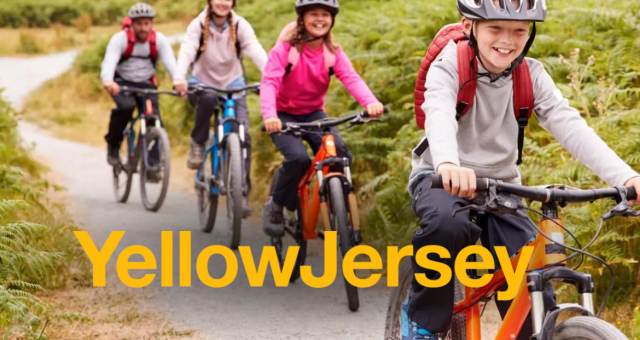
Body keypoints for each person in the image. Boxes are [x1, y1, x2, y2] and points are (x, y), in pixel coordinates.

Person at [404, 0, 640, 339]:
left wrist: (625, 177)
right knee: (446, 227)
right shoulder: (450, 65)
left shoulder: (530, 74)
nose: (508, 39)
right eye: (495, 28)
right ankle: (422, 323)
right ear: (469, 26)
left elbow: (571, 127)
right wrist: (447, 163)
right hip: (442, 178)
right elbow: (438, 110)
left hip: (503, 189)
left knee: (531, 277)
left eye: (519, 30)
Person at [259, 0, 385, 237]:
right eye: (313, 14)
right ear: (302, 19)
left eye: (325, 14)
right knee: (297, 159)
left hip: (313, 113)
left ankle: (341, 207)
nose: (320, 19)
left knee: (339, 153)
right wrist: (270, 116)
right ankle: (275, 204)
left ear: (332, 19)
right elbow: (270, 82)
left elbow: (351, 77)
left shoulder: (332, 52)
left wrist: (370, 103)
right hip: (282, 115)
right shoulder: (285, 50)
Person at [173, 0, 268, 217]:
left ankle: (241, 193)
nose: (223, 2)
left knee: (243, 134)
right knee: (207, 98)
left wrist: (272, 76)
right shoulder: (197, 25)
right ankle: (198, 141)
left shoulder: (239, 25)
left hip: (233, 83)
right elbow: (187, 51)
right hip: (202, 82)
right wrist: (179, 77)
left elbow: (255, 50)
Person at [101, 2, 177, 172]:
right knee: (125, 108)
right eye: (139, 23)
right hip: (121, 83)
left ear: (152, 24)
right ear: (132, 24)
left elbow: (172, 64)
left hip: (146, 84)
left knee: (154, 120)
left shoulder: (159, 40)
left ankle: (152, 164)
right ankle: (113, 145)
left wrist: (180, 81)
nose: (143, 28)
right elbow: (109, 62)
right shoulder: (120, 39)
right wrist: (108, 80)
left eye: (146, 23)